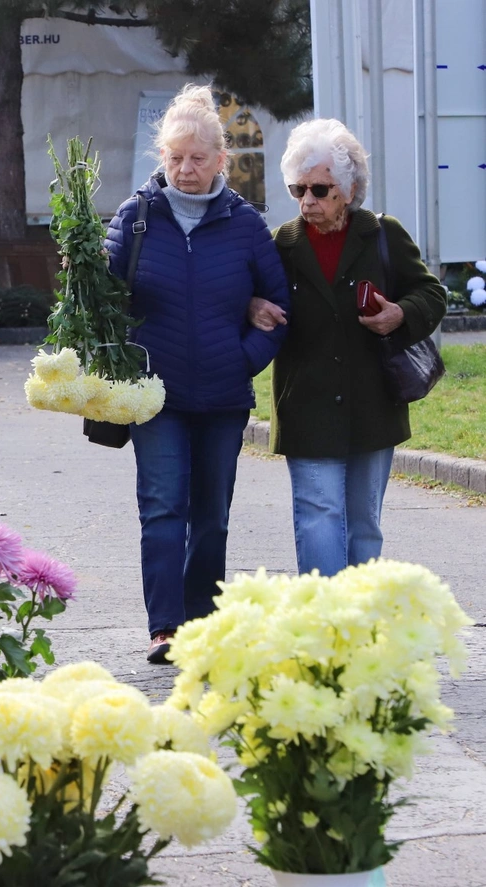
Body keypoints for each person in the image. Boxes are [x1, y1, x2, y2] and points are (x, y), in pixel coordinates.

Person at [104, 84, 290, 665]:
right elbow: (98, 302)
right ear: (162, 158)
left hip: (222, 394)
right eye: (176, 157)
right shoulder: (134, 219)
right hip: (153, 395)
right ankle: (166, 628)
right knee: (162, 506)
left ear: (221, 161)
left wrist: (244, 357)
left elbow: (279, 310)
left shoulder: (245, 225)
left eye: (198, 158)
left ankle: (202, 624)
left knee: (211, 515)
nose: (186, 169)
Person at [249, 118, 446, 578]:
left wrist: (400, 314)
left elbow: (431, 294)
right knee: (318, 517)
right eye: (298, 190)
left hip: (372, 402)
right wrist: (252, 305)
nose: (307, 202)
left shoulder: (382, 234)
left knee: (363, 525)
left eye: (319, 189)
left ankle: (358, 631)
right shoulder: (280, 244)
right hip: (307, 403)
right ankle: (325, 627)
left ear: (350, 188)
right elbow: (247, 296)